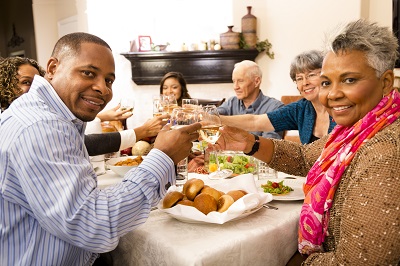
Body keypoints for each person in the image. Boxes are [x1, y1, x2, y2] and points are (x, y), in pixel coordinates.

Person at [0, 32, 200, 265]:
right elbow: (94, 226)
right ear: (53, 68)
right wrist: (162, 157)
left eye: (109, 80)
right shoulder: (42, 126)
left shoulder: (50, 115)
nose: (103, 89)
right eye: (88, 73)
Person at [215, 19, 400, 265]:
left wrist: (298, 261)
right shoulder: (358, 129)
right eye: (326, 82)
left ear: (386, 82)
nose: (332, 94)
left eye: (349, 80)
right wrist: (250, 143)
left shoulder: (385, 152)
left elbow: (361, 261)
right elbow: (305, 157)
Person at [0, 56, 169, 156]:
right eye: (26, 82)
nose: (101, 88)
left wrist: (102, 116)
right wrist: (142, 133)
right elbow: (82, 144)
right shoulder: (31, 125)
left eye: (108, 81)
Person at [221, 51, 336, 144]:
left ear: (325, 76)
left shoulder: (340, 106)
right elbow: (255, 121)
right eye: (299, 78)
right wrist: (215, 120)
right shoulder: (300, 109)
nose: (305, 83)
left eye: (311, 75)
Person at [217, 60, 284, 139]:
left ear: (256, 81)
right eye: (234, 81)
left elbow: (270, 143)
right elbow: (214, 114)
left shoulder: (275, 108)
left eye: (240, 81)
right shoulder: (231, 103)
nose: (235, 87)